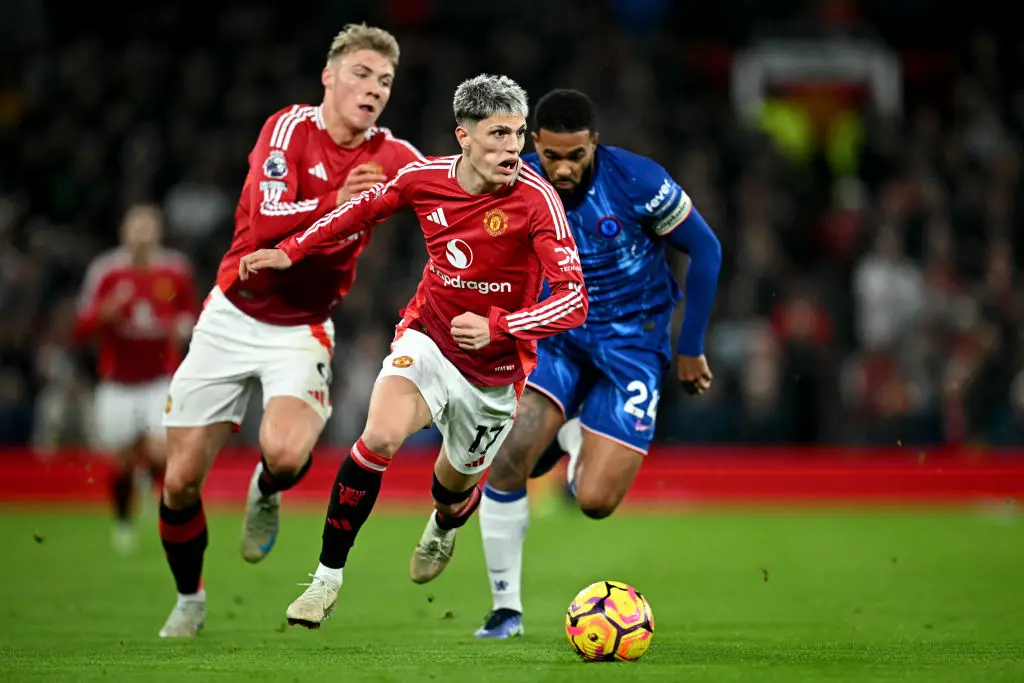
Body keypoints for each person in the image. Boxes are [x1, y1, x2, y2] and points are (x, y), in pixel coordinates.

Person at [238, 73, 589, 630]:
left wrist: (501, 326)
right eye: (498, 134)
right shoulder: (424, 179)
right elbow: (359, 211)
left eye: (519, 134)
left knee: (451, 491)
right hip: (428, 339)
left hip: (494, 374)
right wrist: (291, 250)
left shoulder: (537, 200)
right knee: (378, 436)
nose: (512, 148)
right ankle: (326, 579)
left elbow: (573, 300)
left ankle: (444, 524)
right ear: (464, 136)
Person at [157, 24, 423, 638]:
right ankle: (190, 599)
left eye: (385, 81)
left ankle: (267, 488)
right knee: (180, 481)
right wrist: (339, 197)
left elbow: (447, 188)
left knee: (284, 453)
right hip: (232, 315)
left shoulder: (393, 157)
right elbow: (266, 225)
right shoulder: (288, 130)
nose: (374, 89)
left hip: (302, 326)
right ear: (328, 77)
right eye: (361, 74)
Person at [473, 89, 722, 638]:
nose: (563, 169)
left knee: (595, 502)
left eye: (576, 156)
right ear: (534, 144)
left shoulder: (640, 182)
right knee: (509, 456)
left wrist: (690, 347)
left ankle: (571, 433)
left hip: (633, 345)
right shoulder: (511, 181)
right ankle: (505, 610)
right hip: (557, 337)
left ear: (594, 144)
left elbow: (706, 249)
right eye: (551, 155)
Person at [75, 203, 197, 553]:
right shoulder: (106, 272)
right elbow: (81, 326)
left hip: (160, 378)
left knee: (160, 451)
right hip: (117, 381)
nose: (142, 234)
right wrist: (104, 314)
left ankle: (164, 513)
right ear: (124, 232)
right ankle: (124, 521)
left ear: (158, 232)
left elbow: (192, 313)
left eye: (148, 227)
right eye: (136, 227)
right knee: (122, 460)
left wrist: (182, 328)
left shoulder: (175, 270)